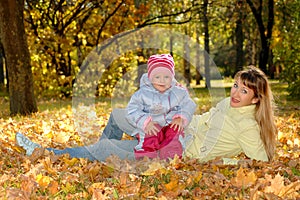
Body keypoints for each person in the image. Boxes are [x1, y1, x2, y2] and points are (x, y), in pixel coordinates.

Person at [16, 66, 278, 164]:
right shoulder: (227, 104)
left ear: (255, 99)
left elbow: (263, 159)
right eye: (235, 85)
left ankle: (45, 152)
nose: (235, 93)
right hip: (173, 129)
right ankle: (103, 156)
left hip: (173, 148)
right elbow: (200, 117)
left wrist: (225, 162)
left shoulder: (247, 127)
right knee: (119, 115)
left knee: (107, 146)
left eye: (244, 91)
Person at [125, 54, 196, 159]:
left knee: (175, 132)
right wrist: (145, 121)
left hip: (170, 122)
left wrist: (181, 117)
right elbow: (131, 110)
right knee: (150, 134)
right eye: (157, 77)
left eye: (166, 77)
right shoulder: (142, 94)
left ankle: (171, 155)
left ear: (172, 78)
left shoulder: (178, 92)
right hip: (152, 124)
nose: (162, 81)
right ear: (150, 78)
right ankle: (147, 157)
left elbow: (188, 105)